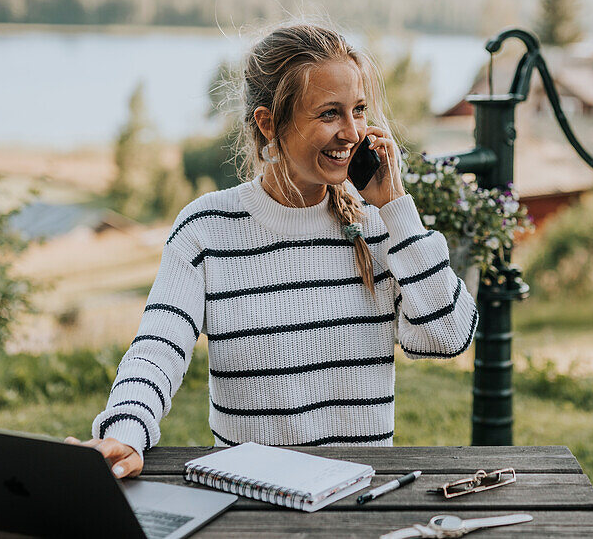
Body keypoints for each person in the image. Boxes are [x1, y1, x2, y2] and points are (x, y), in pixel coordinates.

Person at [66, 23, 477, 479]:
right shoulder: (205, 230)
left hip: (359, 502)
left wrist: (397, 209)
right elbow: (157, 349)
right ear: (268, 123)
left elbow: (448, 337)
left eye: (358, 110)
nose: (352, 132)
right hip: (250, 500)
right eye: (329, 114)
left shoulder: (381, 225)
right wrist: (126, 431)